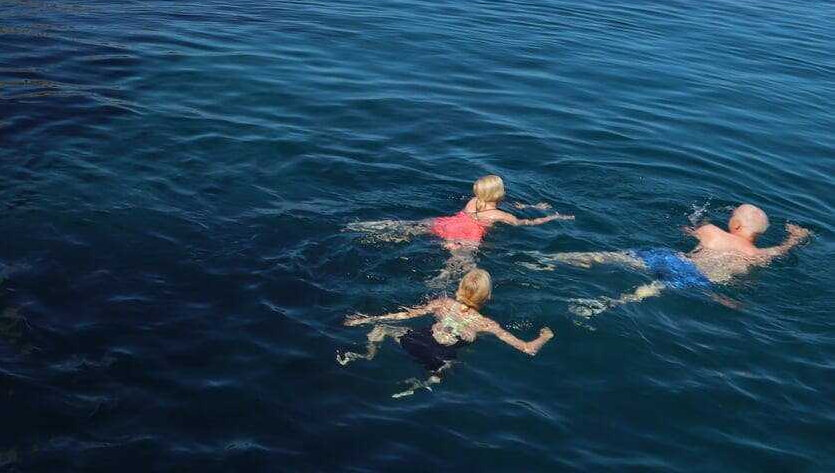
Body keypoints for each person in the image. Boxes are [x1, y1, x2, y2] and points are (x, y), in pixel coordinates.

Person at [546, 204, 811, 313]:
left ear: (737, 225)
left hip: (673, 259)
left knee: (615, 257)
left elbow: (691, 226)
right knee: (649, 290)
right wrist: (796, 236)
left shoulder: (712, 232)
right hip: (696, 279)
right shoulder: (759, 255)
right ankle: (603, 305)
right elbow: (784, 249)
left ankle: (551, 259)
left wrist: (698, 218)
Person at [340, 268, 553, 394]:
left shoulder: (443, 303)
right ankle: (420, 385)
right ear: (488, 297)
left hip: (414, 342)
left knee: (381, 329)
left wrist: (366, 319)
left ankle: (367, 353)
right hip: (438, 358)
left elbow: (405, 314)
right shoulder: (487, 324)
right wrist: (544, 337)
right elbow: (528, 349)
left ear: (459, 288)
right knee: (447, 370)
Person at [346, 175, 573, 284]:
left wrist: (533, 205)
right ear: (499, 195)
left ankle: (366, 227)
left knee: (409, 227)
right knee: (460, 263)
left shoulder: (474, 201)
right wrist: (552, 217)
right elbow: (526, 223)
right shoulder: (501, 215)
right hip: (468, 234)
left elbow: (509, 203)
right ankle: (440, 280)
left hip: (449, 222)